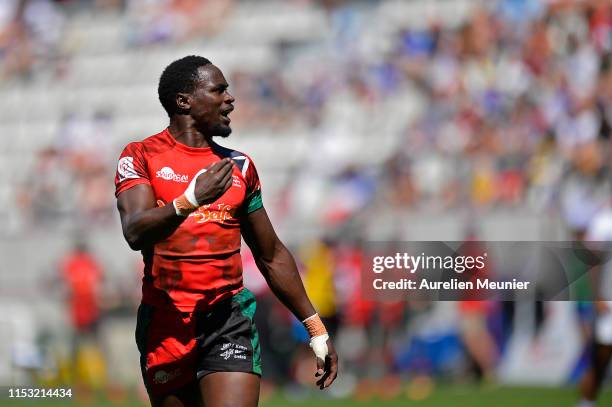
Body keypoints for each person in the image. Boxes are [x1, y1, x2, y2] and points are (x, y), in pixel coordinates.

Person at [114, 55, 338, 407]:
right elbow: (135, 231)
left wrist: (315, 327)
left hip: (228, 317)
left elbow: (271, 253)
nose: (229, 98)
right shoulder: (141, 155)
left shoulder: (240, 166)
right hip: (167, 322)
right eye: (218, 90)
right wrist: (190, 200)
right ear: (184, 101)